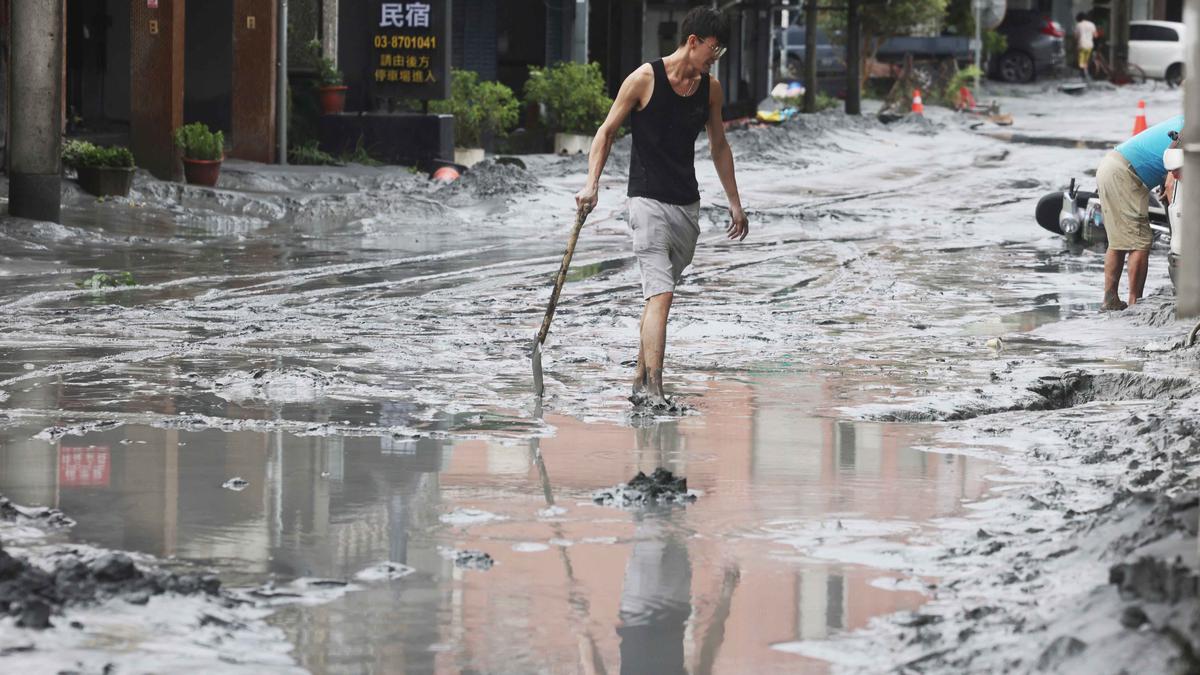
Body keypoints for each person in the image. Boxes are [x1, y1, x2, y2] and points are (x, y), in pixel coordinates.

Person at [574, 7, 749, 407]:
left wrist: (735, 204)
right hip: (646, 201)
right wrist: (591, 184)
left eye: (720, 52)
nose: (714, 58)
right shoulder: (644, 79)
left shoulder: (711, 90)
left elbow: (719, 146)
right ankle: (655, 389)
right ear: (692, 42)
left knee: (658, 295)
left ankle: (639, 381)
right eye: (713, 49)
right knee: (662, 294)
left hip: (686, 205)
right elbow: (606, 131)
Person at [1097, 113, 1185, 310]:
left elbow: (1166, 167)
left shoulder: (1183, 122)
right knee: (1140, 242)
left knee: (1119, 241)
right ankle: (1134, 303)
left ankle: (1110, 299)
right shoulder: (1188, 132)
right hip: (1125, 173)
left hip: (1112, 166)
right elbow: (1174, 182)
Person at [1075, 12, 1098, 80]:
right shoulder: (1092, 24)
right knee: (1086, 60)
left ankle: (1083, 73)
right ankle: (1086, 72)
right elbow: (1095, 35)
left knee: (1081, 59)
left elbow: (1076, 36)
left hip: (1081, 45)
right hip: (1090, 45)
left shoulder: (1078, 25)